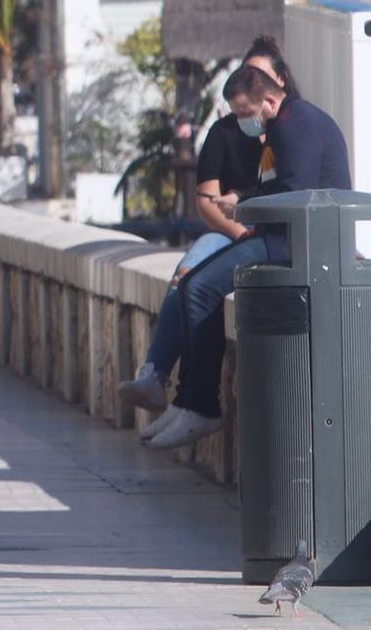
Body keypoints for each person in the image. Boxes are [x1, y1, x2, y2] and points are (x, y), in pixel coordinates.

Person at [122, 55, 349, 451]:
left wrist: (241, 205)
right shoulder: (284, 123)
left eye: (245, 112)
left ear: (269, 102)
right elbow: (279, 186)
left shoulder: (296, 126)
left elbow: (294, 193)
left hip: (295, 242)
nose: (243, 121)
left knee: (200, 289)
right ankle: (186, 401)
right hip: (280, 234)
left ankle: (200, 407)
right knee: (191, 283)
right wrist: (242, 197)